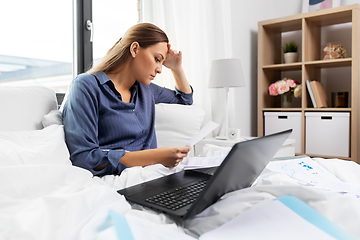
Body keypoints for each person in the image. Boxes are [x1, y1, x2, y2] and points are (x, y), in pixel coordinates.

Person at [62, 23, 193, 177]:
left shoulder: (147, 89)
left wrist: (176, 68)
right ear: (135, 49)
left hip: (151, 175)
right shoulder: (86, 86)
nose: (159, 69)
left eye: (162, 62)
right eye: (157, 59)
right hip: (114, 179)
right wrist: (156, 156)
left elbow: (185, 98)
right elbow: (84, 158)